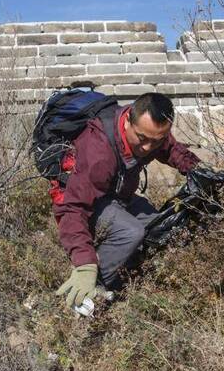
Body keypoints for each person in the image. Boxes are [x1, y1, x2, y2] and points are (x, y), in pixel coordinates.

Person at [51, 92, 201, 308]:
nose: (148, 147)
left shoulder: (152, 132)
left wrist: (196, 169)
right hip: (89, 200)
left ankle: (129, 280)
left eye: (155, 140)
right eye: (142, 139)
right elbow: (72, 207)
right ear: (128, 119)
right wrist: (84, 264)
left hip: (118, 195)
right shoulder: (99, 151)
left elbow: (169, 148)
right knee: (130, 232)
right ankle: (91, 291)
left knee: (160, 224)